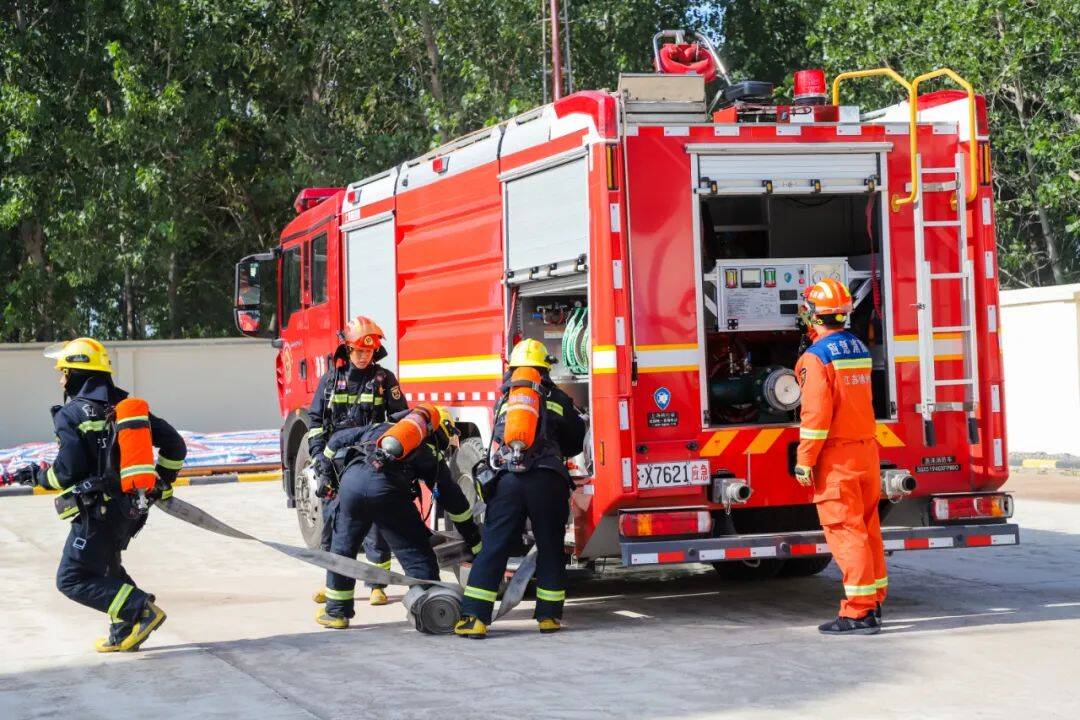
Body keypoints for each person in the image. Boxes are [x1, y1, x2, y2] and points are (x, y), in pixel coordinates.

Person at [35, 338, 187, 652]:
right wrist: (162, 481)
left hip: (97, 513)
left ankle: (140, 610)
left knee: (72, 578)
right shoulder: (126, 409)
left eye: (64, 373)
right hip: (131, 510)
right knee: (106, 567)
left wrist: (39, 476)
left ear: (77, 373)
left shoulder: (71, 414)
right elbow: (175, 445)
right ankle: (123, 629)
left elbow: (66, 472)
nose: (61, 380)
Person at [455, 339, 586, 639]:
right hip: (547, 481)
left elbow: (498, 438)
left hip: (508, 481)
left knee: (494, 546)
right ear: (545, 369)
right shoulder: (557, 397)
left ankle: (474, 617)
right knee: (551, 546)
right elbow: (575, 439)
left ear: (512, 368)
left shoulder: (507, 399)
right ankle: (549, 617)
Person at [793, 279, 887, 636]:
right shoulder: (857, 347)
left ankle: (859, 613)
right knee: (867, 529)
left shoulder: (815, 358)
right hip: (865, 452)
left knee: (846, 533)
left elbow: (815, 417)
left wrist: (805, 460)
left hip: (837, 460)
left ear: (813, 315)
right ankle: (874, 602)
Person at [316, 405, 460, 629]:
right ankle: (432, 610)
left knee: (342, 550)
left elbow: (336, 440)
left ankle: (336, 613)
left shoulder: (379, 427)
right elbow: (453, 499)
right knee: (416, 553)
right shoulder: (426, 449)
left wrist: (325, 473)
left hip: (351, 488)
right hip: (388, 493)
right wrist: (473, 536)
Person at [307, 316, 406, 607]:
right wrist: (318, 458)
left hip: (369, 461)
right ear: (348, 349)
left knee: (375, 522)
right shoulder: (330, 381)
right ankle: (332, 582)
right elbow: (316, 423)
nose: (364, 356)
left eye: (369, 351)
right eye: (359, 351)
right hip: (335, 465)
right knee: (332, 523)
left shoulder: (384, 380)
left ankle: (377, 584)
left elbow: (400, 418)